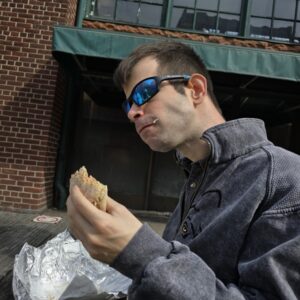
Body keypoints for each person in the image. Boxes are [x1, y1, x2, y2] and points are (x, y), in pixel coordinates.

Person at [67, 41, 300, 299]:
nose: (132, 112)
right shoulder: (196, 177)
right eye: (127, 104)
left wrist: (139, 251)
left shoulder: (286, 179)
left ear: (196, 89)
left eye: (144, 92)